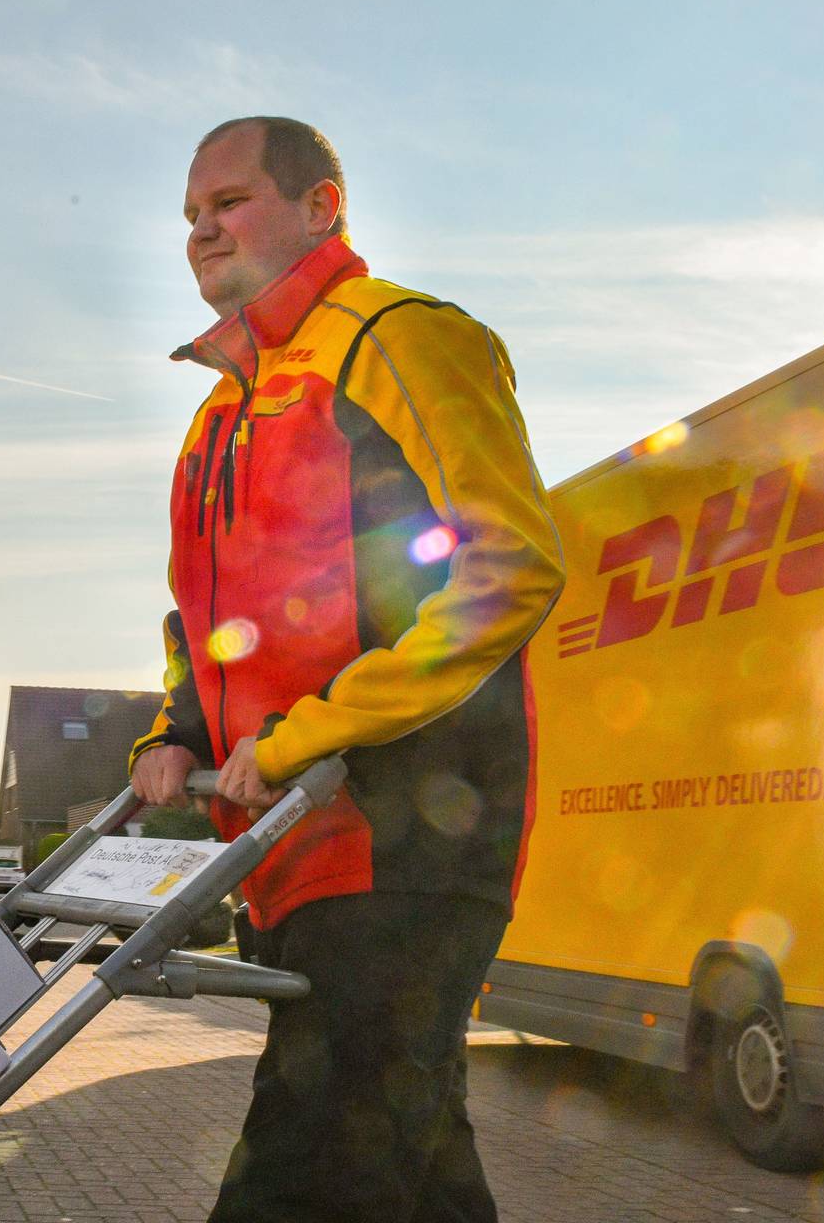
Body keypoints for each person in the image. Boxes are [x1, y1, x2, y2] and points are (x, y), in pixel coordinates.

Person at [129, 116, 564, 1222]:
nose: (201, 230)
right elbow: (211, 622)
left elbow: (507, 567)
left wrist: (309, 734)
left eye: (228, 202)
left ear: (321, 206)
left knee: (309, 1164)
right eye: (190, 214)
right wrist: (179, 729)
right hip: (282, 844)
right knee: (411, 1159)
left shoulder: (404, 342)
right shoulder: (218, 413)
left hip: (405, 835)